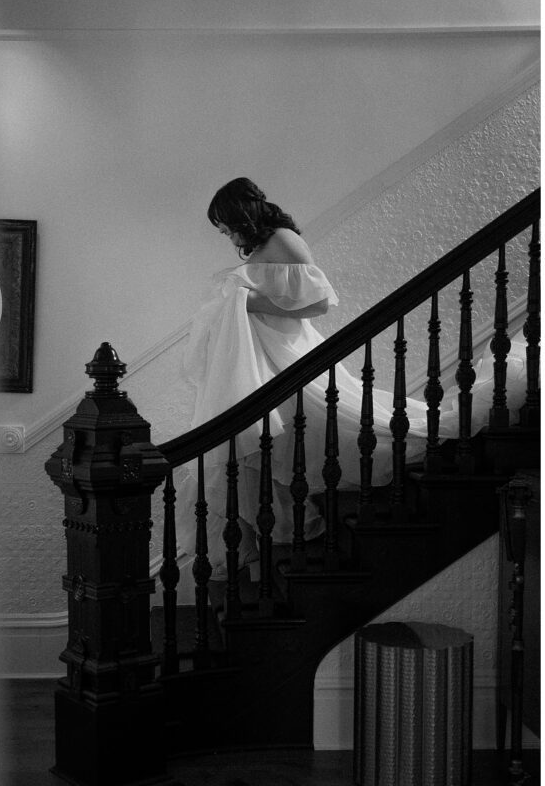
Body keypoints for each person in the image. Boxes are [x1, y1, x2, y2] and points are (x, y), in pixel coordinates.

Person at [177, 177, 527, 581]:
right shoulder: (256, 247)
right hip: (258, 360)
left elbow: (318, 303)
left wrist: (248, 301)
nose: (224, 233)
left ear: (242, 212)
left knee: (331, 425)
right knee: (244, 444)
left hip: (285, 355)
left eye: (224, 223)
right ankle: (258, 550)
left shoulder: (285, 240)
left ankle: (274, 542)